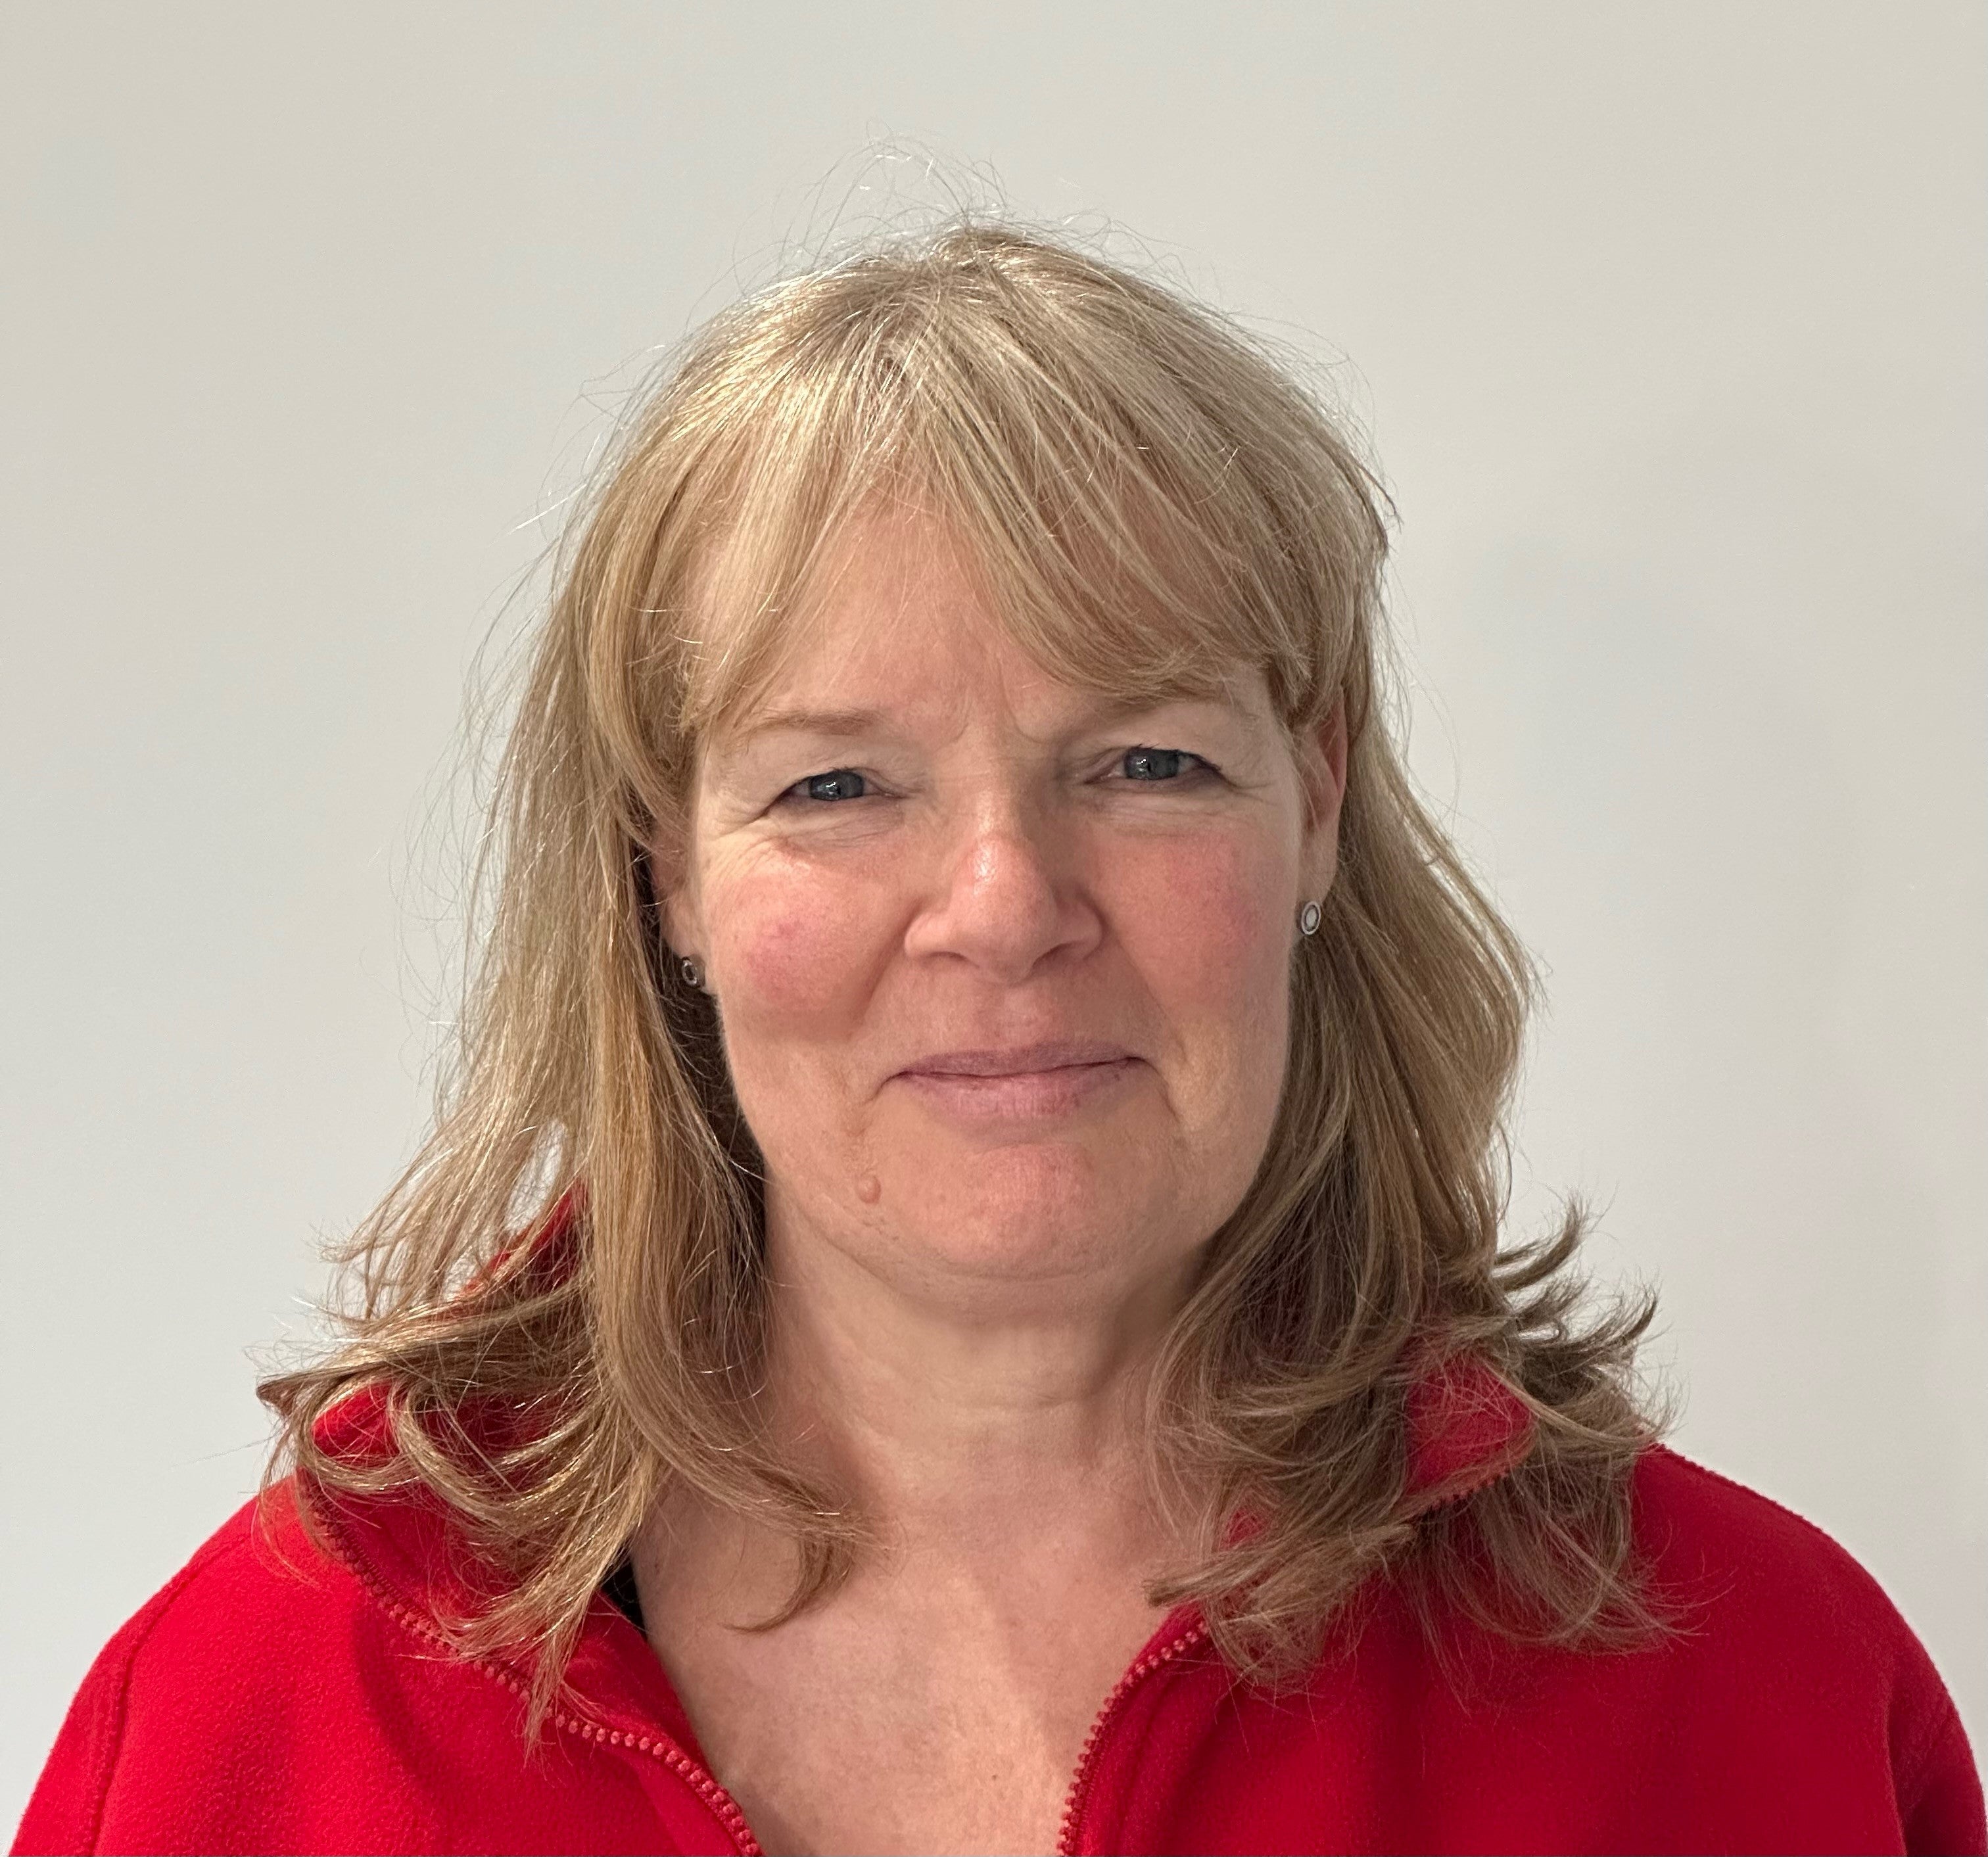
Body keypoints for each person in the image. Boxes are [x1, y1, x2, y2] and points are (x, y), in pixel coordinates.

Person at [14, 222, 1981, 1857]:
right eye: (838, 785)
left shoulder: (1750, 1691)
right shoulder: (257, 1714)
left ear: (1315, 800)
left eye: (1145, 759)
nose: (1005, 901)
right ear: (665, 876)